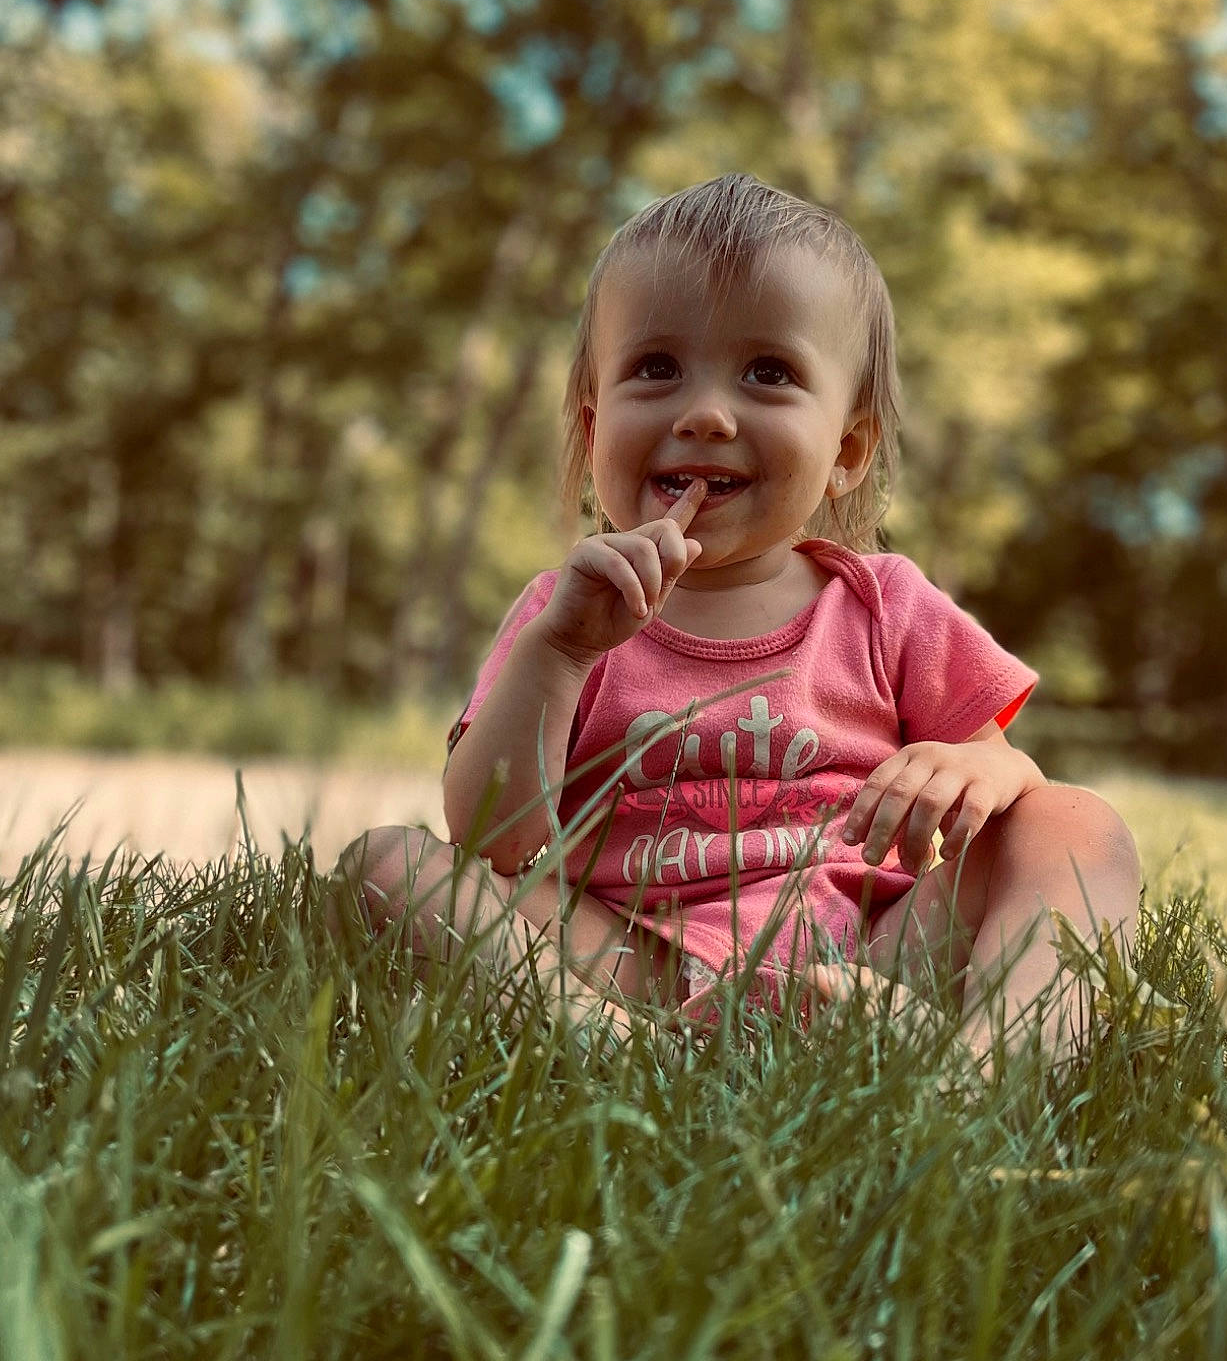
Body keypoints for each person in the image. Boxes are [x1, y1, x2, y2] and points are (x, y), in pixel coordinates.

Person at [335, 174, 1141, 1066]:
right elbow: (491, 839)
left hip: (870, 952)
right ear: (596, 430)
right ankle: (625, 1048)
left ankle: (994, 1067)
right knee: (388, 866)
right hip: (629, 960)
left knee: (1077, 822)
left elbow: (1006, 772)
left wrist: (975, 766)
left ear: (846, 451)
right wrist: (559, 654)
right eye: (656, 368)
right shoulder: (564, 614)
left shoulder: (884, 606)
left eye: (769, 373)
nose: (706, 414)